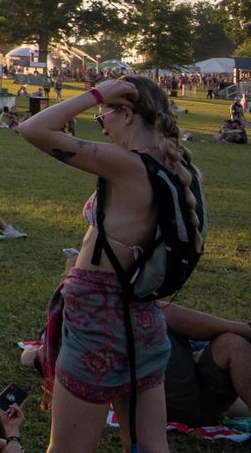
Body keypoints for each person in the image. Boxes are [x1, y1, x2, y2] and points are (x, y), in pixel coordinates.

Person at [17, 76, 204, 453]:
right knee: (149, 445)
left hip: (99, 323)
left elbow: (33, 128)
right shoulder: (179, 167)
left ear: (127, 113)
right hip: (143, 319)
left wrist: (97, 94)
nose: (102, 127)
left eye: (103, 117)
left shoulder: (128, 165)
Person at [23, 302, 251, 430]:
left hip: (192, 388)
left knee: (232, 343)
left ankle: (244, 331)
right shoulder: (77, 339)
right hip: (158, 399)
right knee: (159, 310)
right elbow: (30, 356)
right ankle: (247, 328)